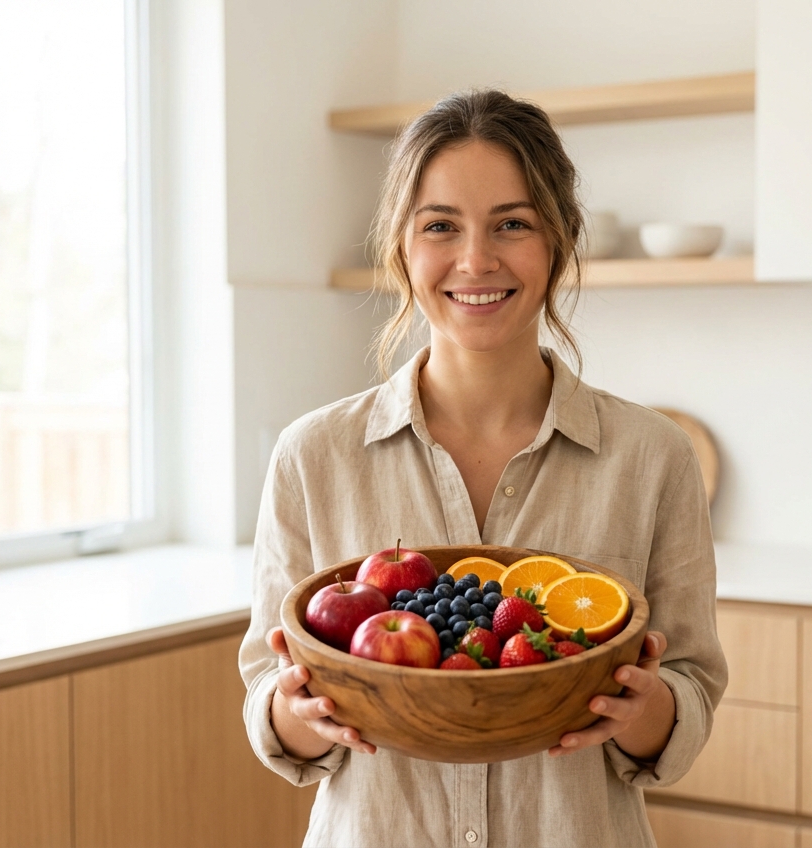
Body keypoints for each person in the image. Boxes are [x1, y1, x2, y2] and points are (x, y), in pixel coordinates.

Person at [238, 89, 727, 848]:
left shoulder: (652, 457)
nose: (476, 260)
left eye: (512, 224)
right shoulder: (313, 456)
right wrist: (297, 711)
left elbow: (690, 693)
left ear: (558, 242)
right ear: (402, 245)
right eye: (441, 226)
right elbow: (268, 702)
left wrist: (646, 705)